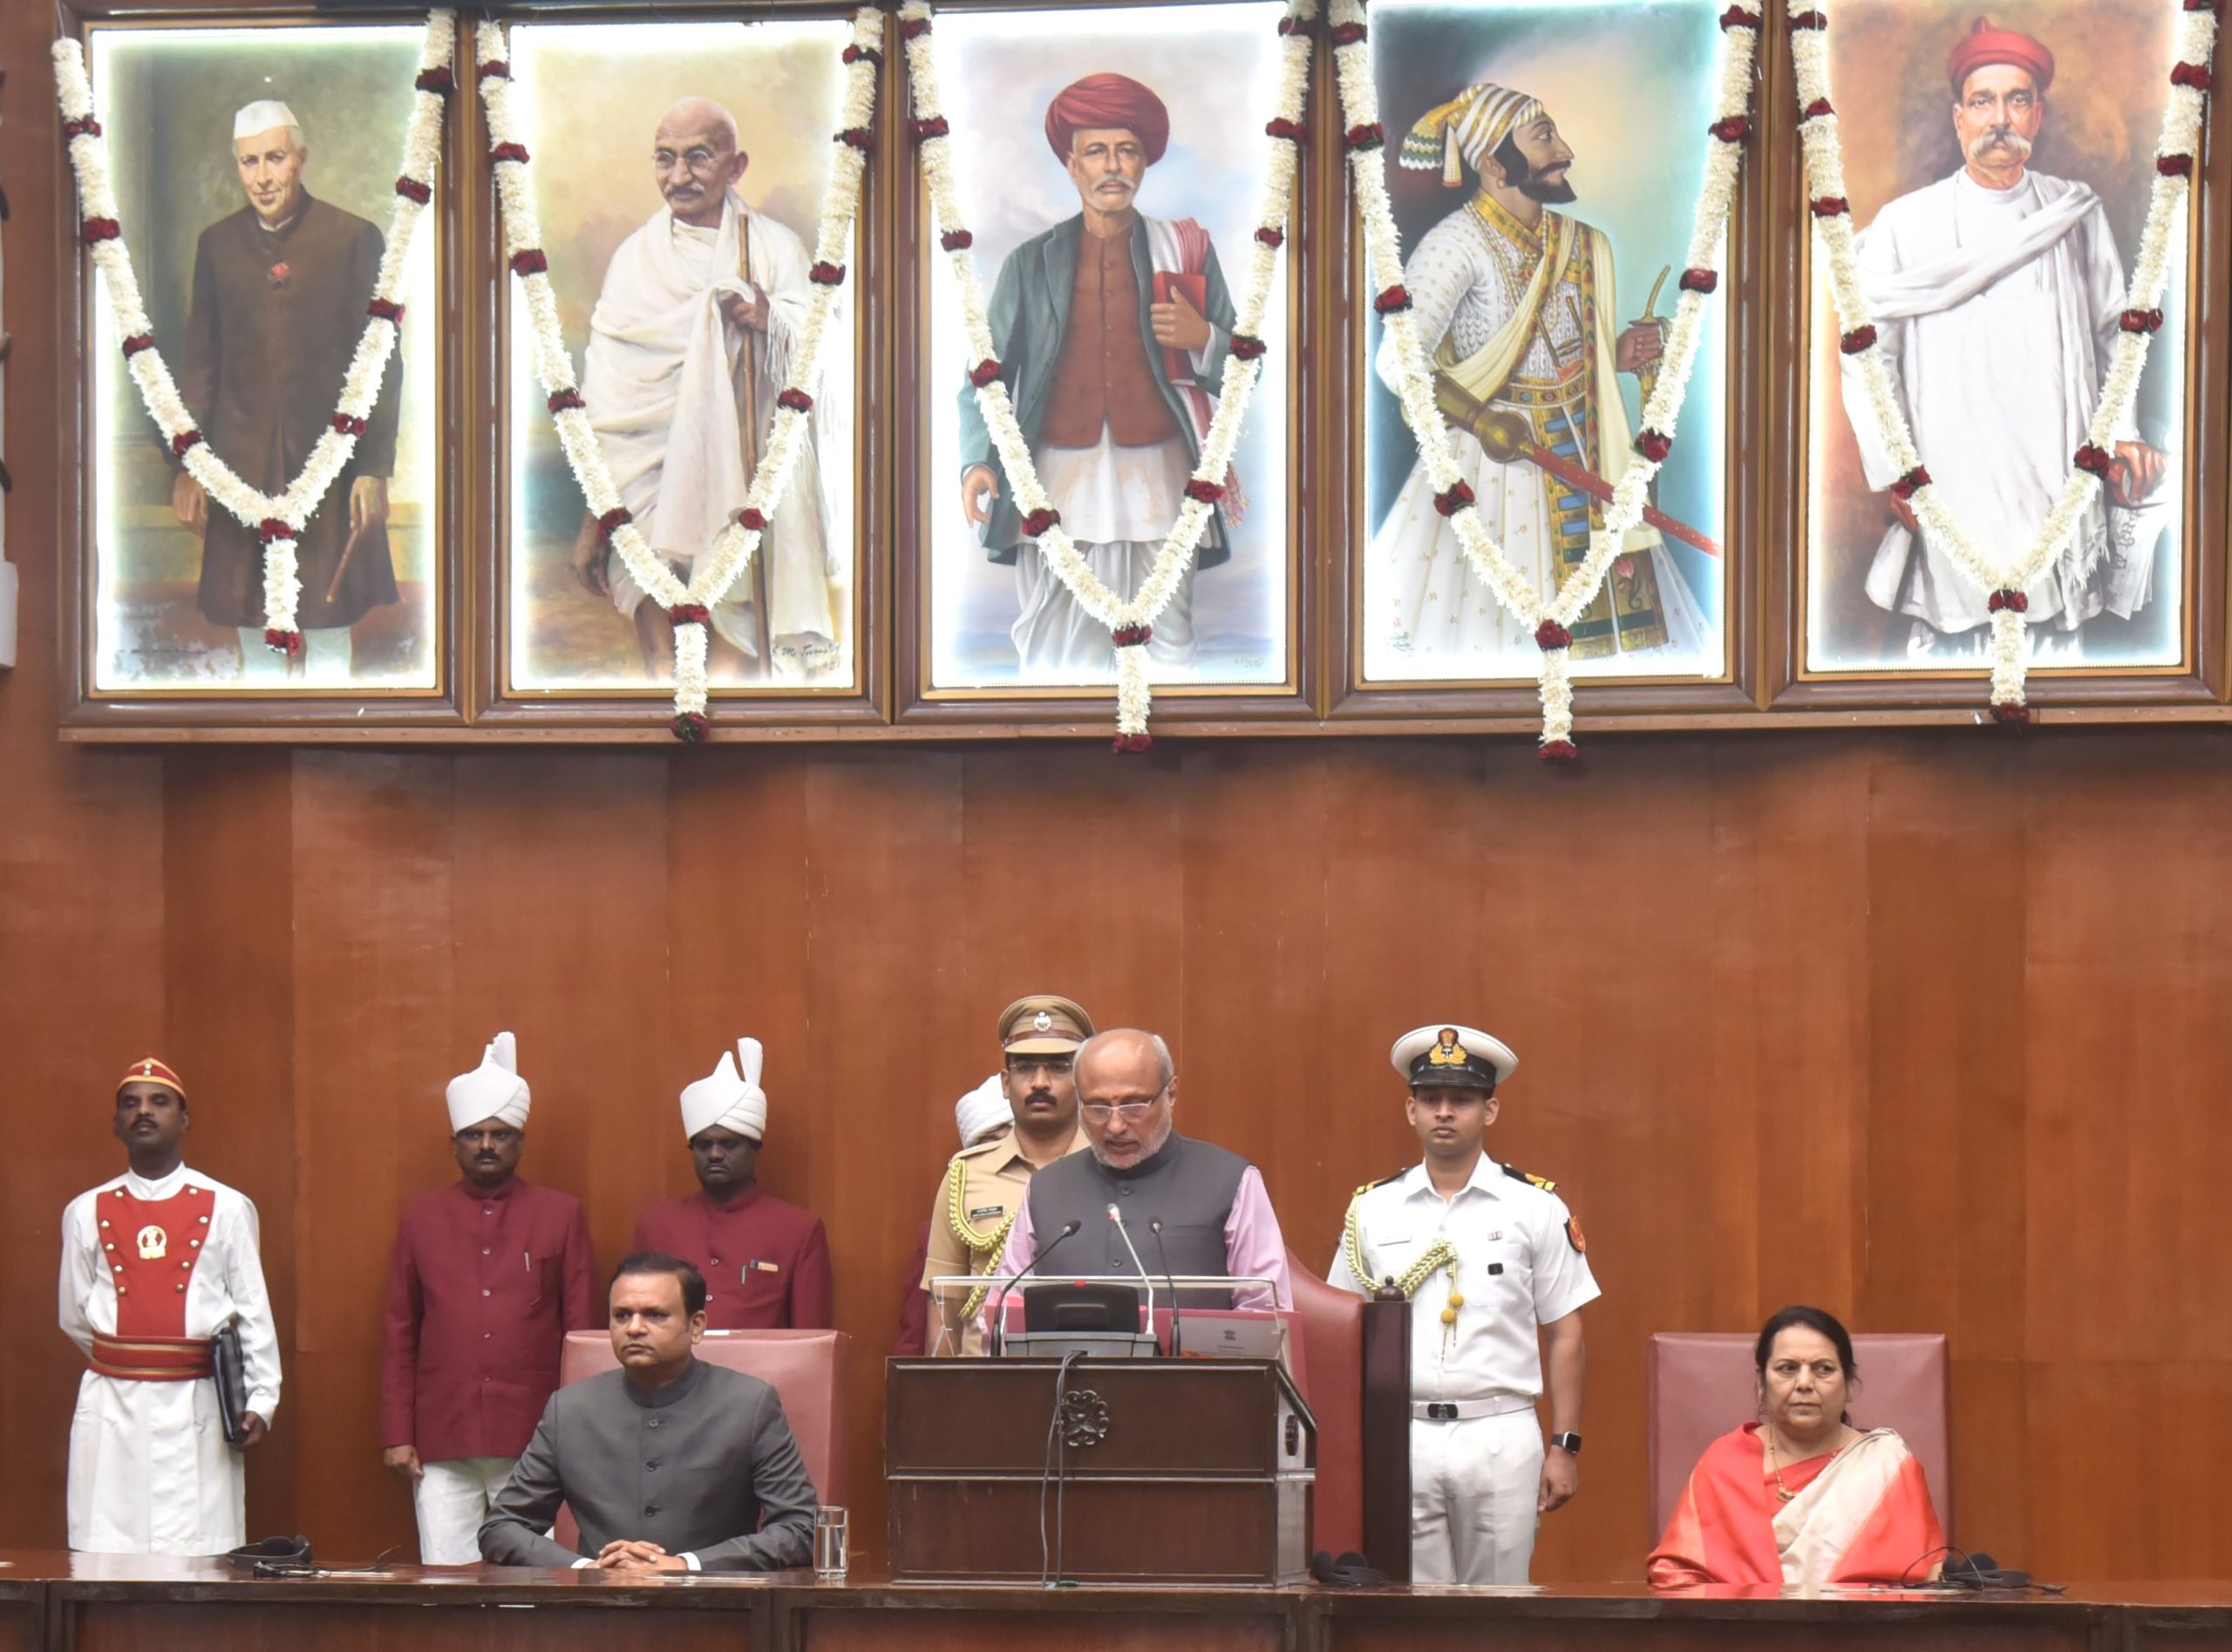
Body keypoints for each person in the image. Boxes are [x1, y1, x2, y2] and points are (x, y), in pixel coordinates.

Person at [1838, 19, 2167, 657]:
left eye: (2016, 100)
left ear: (2037, 116)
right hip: (1952, 471)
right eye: (1983, 102)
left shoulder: (2075, 213)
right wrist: (1893, 469)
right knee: (1952, 644)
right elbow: (1868, 354)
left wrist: (2123, 430)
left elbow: (2113, 335)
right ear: (1959, 117)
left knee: (2054, 646)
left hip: (2054, 470)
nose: (2000, 119)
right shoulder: (1906, 225)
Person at [1371, 82, 1706, 666]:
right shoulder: (1454, 245)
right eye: (1544, 138)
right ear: (1494, 164)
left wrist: (1615, 352)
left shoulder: (1582, 242)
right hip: (1494, 457)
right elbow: (1397, 360)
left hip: (1586, 449)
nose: (1565, 150)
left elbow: (1576, 352)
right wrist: (1480, 419)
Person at [958, 74, 1238, 677]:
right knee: (1059, 656)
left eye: (1127, 150)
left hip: (1163, 478)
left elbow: (1246, 364)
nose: (1113, 166)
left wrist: (1204, 339)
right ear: (1071, 164)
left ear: (1145, 161)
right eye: (1096, 151)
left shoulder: (1184, 250)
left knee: (1168, 650)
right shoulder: (1030, 263)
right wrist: (977, 459)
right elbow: (986, 375)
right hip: (1058, 477)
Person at [572, 97, 840, 682]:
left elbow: (830, 349)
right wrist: (596, 519)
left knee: (732, 663)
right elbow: (606, 404)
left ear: (736, 166)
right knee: (660, 656)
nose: (679, 176)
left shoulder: (774, 248)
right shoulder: (633, 260)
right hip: (642, 485)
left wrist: (773, 317)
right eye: (665, 159)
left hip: (742, 481)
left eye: (698, 157)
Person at [1327, 1024, 1597, 1585]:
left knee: (1500, 1615)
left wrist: (1564, 1446)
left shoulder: (1534, 1207)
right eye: (1431, 1100)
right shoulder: (1372, 1211)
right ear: (1411, 1110)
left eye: (1462, 1100)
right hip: (1402, 1433)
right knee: (1411, 1613)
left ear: (1490, 1110)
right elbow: (1343, 1329)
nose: (1444, 1112)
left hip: (1499, 1431)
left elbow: (1565, 1331)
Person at [174, 100, 399, 683]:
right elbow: (201, 364)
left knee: (326, 630)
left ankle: (324, 749)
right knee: (256, 631)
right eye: (249, 162)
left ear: (300, 158)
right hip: (239, 467)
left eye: (275, 158)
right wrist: (189, 467)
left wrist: (373, 468)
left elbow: (382, 365)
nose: (263, 177)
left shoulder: (353, 238)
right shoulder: (217, 247)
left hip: (328, 469)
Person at [380, 1032, 600, 1563]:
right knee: (444, 1580)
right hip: (440, 1433)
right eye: (474, 1134)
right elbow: (399, 1329)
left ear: (520, 1143)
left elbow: (583, 1333)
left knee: (536, 1581)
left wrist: (581, 1434)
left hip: (534, 1434)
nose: (486, 1145)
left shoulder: (560, 1214)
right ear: (453, 1143)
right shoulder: (421, 1217)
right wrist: (396, 1431)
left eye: (500, 1134)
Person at [58, 1056, 281, 1553]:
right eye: (131, 1103)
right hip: (112, 1404)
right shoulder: (85, 1210)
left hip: (196, 1403)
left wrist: (262, 1398)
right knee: (107, 1549)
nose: (145, 1112)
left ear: (184, 1120)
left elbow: (251, 1310)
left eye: (160, 1102)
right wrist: (128, 1358)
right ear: (116, 1123)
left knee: (197, 1553)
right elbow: (73, 1313)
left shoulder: (227, 1206)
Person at [477, 1254, 817, 1572]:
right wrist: (585, 1570)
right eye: (622, 1315)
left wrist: (686, 1565)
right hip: (598, 1611)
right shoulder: (569, 1409)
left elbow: (803, 1529)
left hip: (718, 1611)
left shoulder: (749, 1404)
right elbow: (502, 1527)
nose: (634, 1328)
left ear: (696, 1325)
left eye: (655, 1315)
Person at [988, 1028, 1291, 1321]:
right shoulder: (1046, 1188)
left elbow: (1266, 1312)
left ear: (1170, 1094)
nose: (1115, 1126)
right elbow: (1003, 1310)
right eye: (1097, 1107)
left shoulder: (1233, 1181)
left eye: (1133, 1106)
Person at [1648, 1305, 1946, 1590]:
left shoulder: (1888, 1467)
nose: (1804, 1383)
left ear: (1850, 1386)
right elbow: (1676, 1579)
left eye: (1823, 1369)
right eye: (1787, 1368)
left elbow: (1927, 1581)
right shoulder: (1724, 1463)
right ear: (1761, 1385)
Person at [921, 997, 1095, 1355]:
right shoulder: (966, 1176)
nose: (1040, 1082)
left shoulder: (1111, 1170)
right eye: (1025, 1068)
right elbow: (945, 1305)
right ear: (1005, 1082)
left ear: (1083, 1081)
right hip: (987, 1385)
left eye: (1059, 1068)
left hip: (1091, 1380)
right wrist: (945, 1401)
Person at [633, 1037, 832, 1329]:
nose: (714, 1154)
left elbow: (811, 1340)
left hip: (761, 1375)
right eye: (703, 1145)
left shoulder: (799, 1230)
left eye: (728, 1144)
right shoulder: (656, 1225)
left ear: (755, 1149)